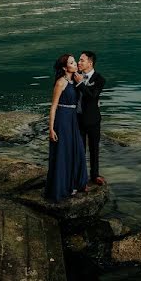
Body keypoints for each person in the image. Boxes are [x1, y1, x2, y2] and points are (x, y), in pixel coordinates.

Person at [44, 53, 88, 202]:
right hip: (62, 119)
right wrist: (51, 129)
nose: (75, 64)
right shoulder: (61, 82)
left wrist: (80, 81)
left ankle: (73, 184)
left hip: (72, 119)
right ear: (64, 67)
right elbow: (53, 107)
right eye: (71, 62)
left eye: (75, 61)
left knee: (76, 151)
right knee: (63, 154)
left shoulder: (74, 80)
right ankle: (61, 188)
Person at [73, 50, 107, 185]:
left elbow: (92, 97)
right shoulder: (75, 76)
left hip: (93, 120)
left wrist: (81, 83)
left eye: (82, 60)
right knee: (80, 149)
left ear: (90, 63)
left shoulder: (100, 79)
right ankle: (80, 177)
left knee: (94, 148)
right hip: (77, 118)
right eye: (78, 60)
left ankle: (95, 175)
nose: (78, 62)